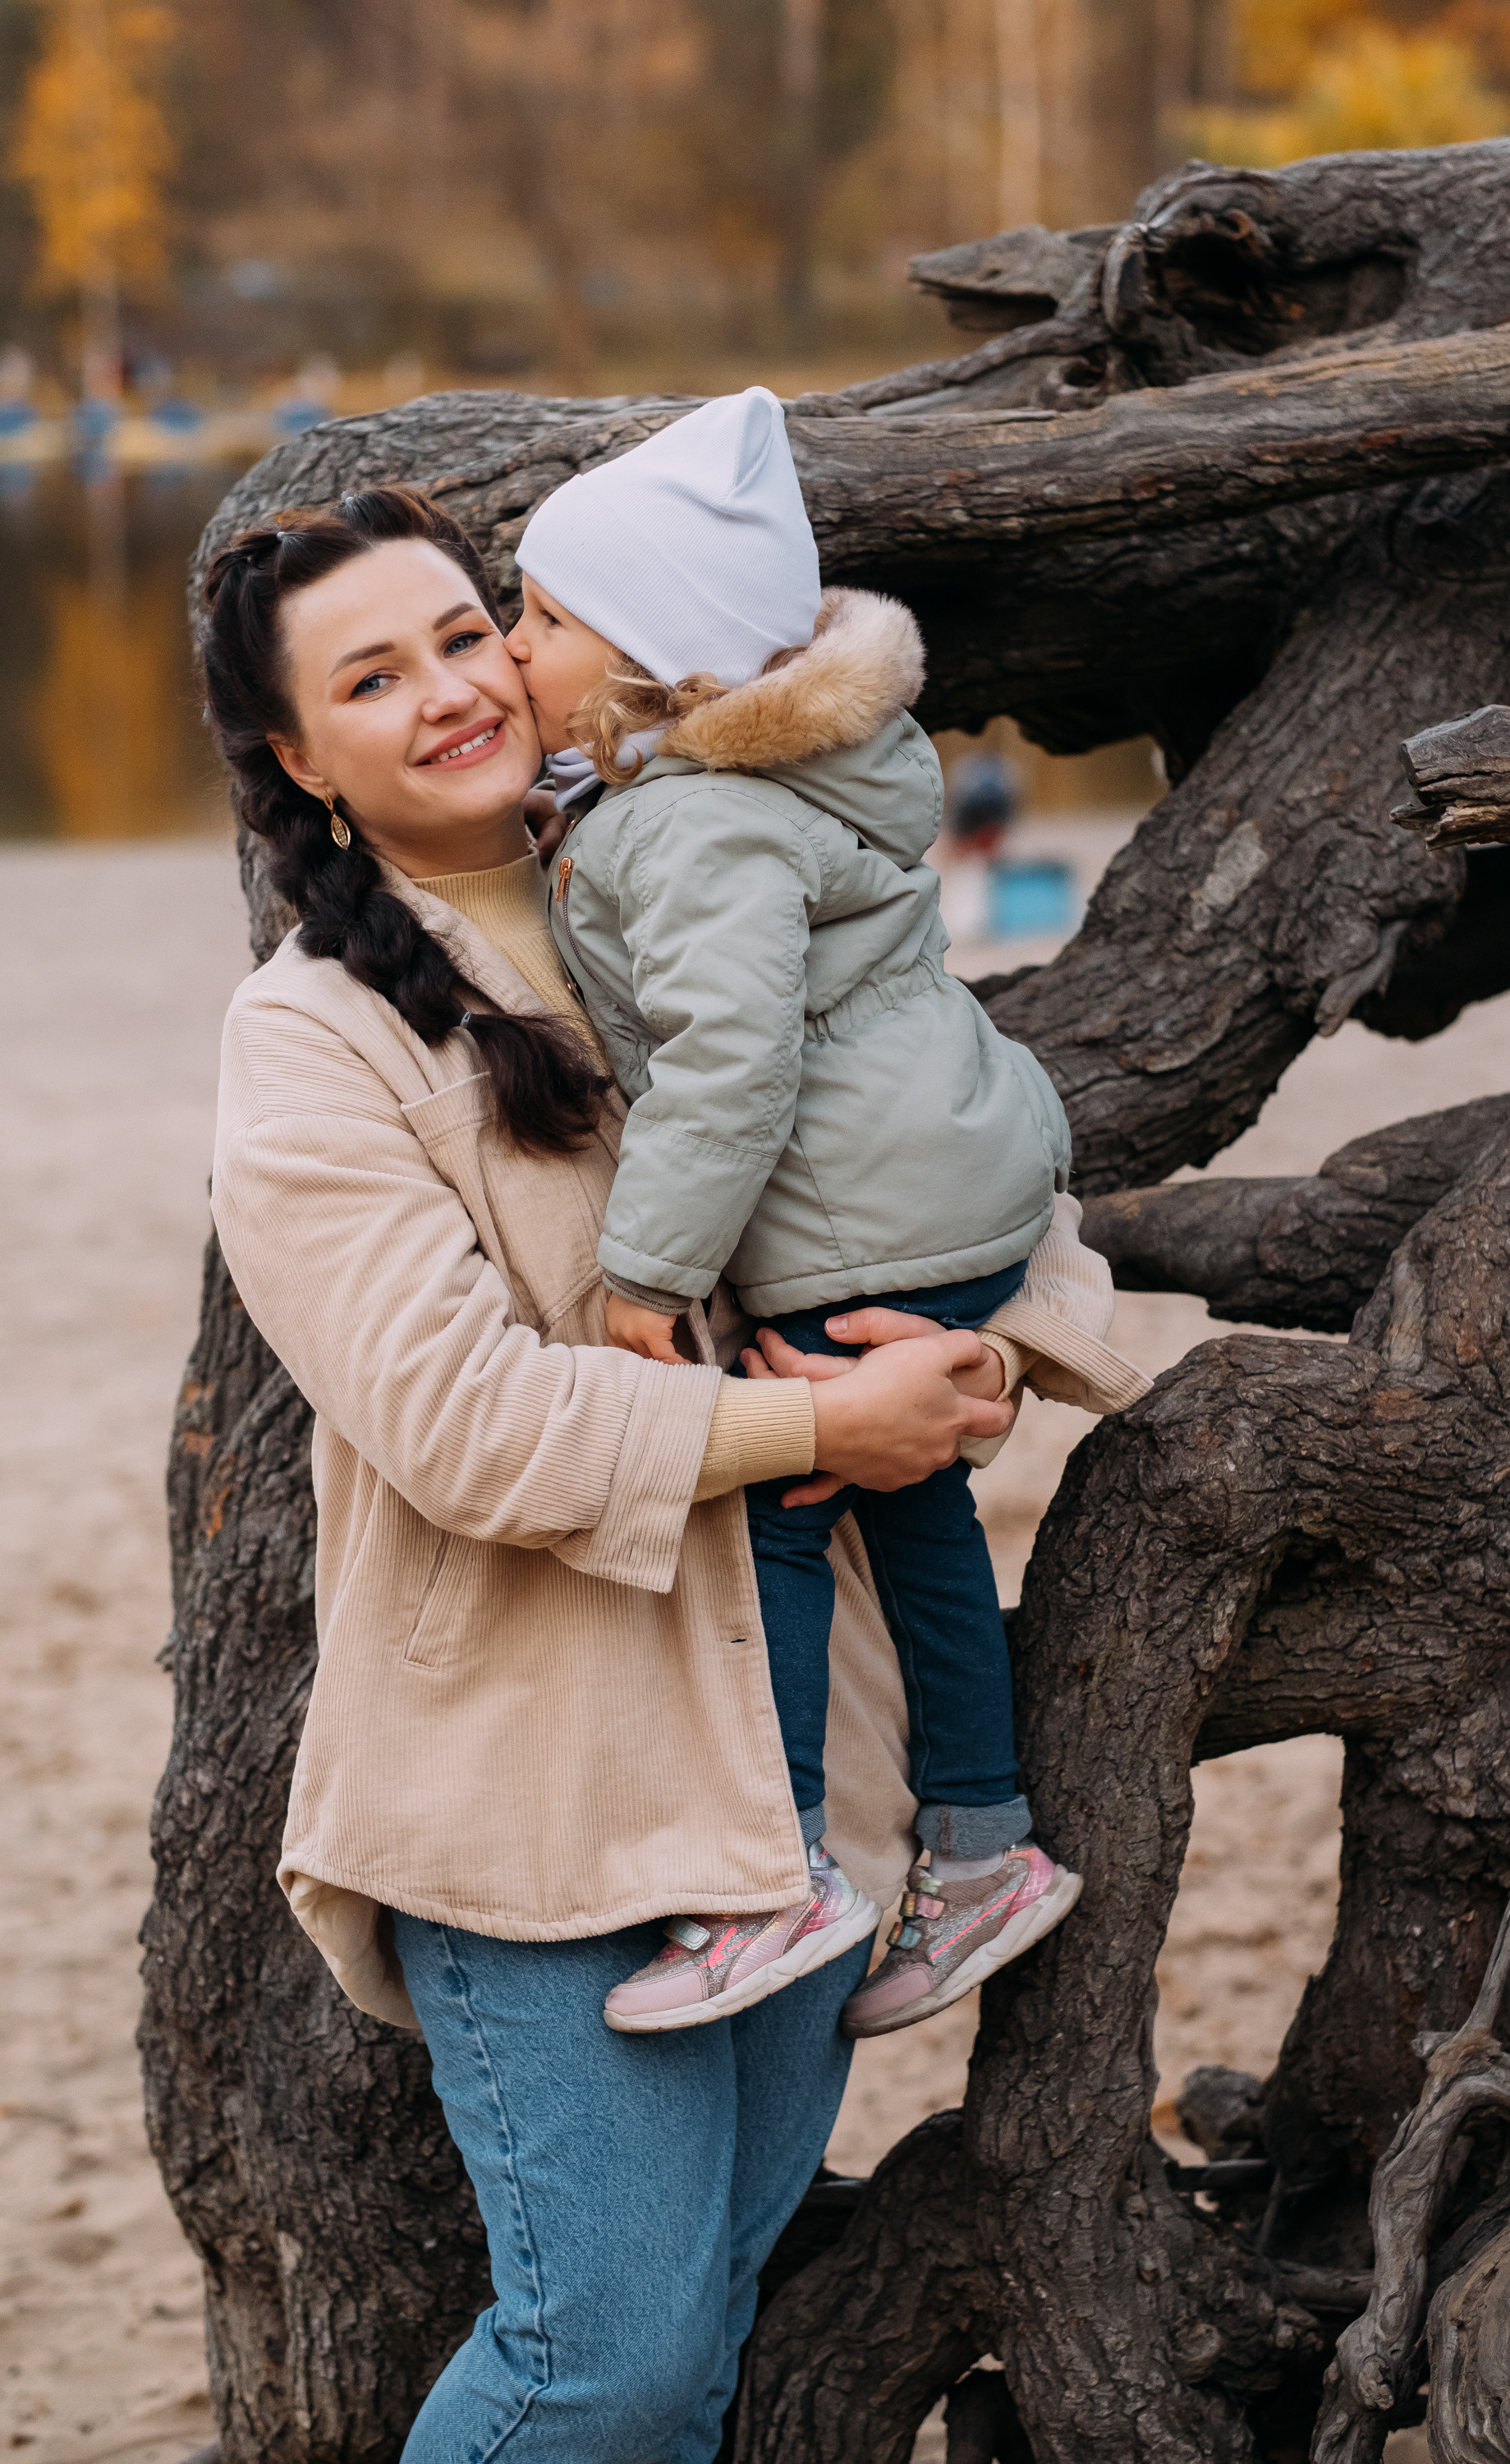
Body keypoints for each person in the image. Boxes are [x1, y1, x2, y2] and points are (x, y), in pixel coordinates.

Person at [200, 480, 1137, 2460]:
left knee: (709, 2324)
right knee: (597, 2362)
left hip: (800, 1772)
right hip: (545, 1792)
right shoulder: (314, 1042)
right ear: (302, 761)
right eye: (375, 679)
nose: (453, 693)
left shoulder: (699, 849)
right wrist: (821, 1427)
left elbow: (940, 1138)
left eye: (468, 634)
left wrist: (979, 1352)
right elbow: (462, 1423)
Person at [506, 388, 1147, 2040]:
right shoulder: (771, 777)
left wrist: (649, 1267)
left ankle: (772, 1878)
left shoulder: (696, 822)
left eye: (541, 620)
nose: (511, 652)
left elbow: (729, 1066)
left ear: (659, 669)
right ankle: (984, 1842)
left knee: (782, 1507)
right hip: (954, 1178)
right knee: (916, 1504)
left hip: (871, 1214)